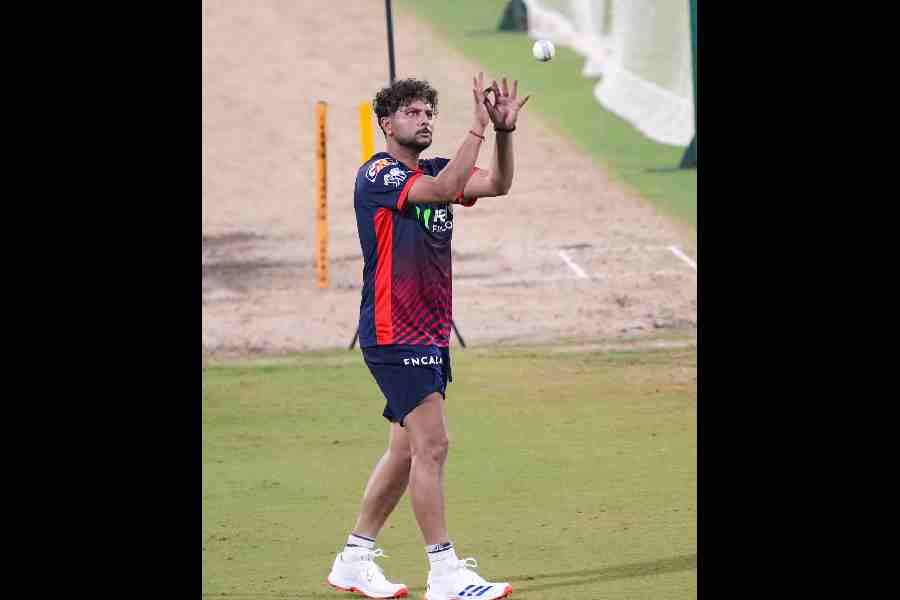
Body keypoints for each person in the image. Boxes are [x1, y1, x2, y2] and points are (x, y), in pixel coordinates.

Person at [326, 73, 529, 600]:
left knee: (404, 451)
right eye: (413, 113)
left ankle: (354, 558)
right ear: (386, 123)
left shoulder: (441, 167)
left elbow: (497, 185)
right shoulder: (378, 174)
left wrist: (503, 134)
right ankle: (444, 573)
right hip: (395, 334)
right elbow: (438, 192)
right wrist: (478, 129)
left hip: (429, 334)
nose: (423, 121)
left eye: (428, 113)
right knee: (433, 445)